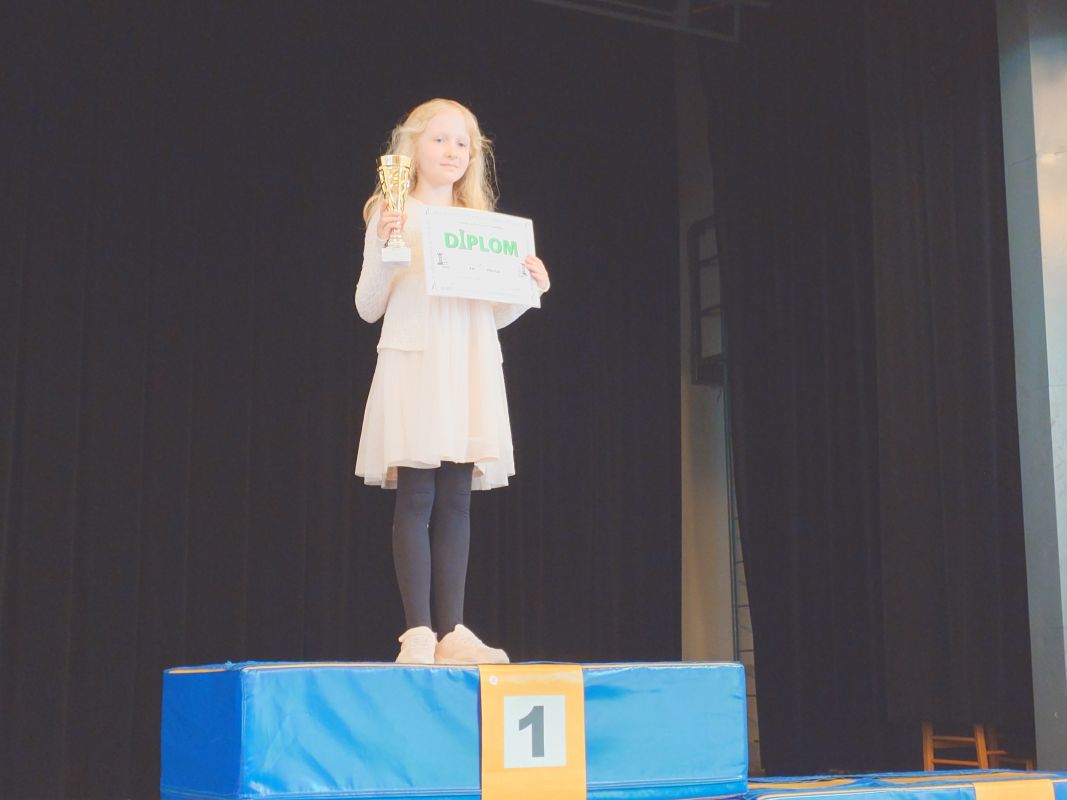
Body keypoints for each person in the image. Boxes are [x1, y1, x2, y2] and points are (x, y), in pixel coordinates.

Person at [354, 99, 550, 665]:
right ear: (412, 147)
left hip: (468, 367)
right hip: (415, 363)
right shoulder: (392, 211)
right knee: (417, 495)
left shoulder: (480, 226)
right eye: (440, 139)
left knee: (457, 499)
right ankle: (417, 630)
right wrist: (388, 249)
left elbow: (491, 313)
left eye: (463, 143)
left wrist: (529, 288)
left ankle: (454, 630)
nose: (452, 151)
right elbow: (368, 306)